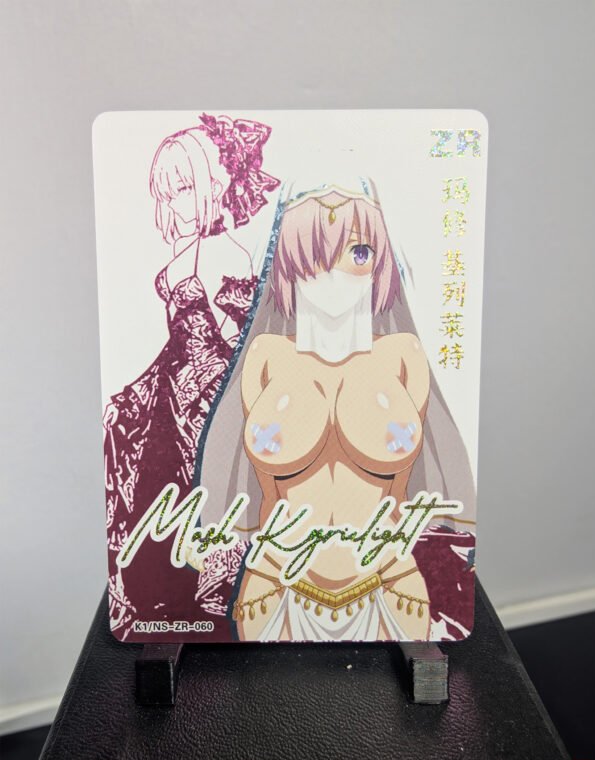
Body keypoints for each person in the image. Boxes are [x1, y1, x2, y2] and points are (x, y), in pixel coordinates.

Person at [196, 179, 476, 643]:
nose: (334, 276)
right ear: (287, 263)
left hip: (390, 582)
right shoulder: (266, 356)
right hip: (275, 583)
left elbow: (417, 479)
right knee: (262, 691)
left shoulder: (403, 356)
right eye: (313, 254)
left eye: (359, 253)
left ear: (381, 263)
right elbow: (249, 479)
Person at [103, 114, 279, 639]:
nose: (174, 204)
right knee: (163, 491)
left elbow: (237, 338)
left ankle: (209, 594)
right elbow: (182, 337)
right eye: (167, 193)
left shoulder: (227, 254)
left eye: (183, 189)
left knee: (203, 492)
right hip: (171, 390)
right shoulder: (196, 252)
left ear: (215, 185)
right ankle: (169, 599)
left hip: (206, 396)